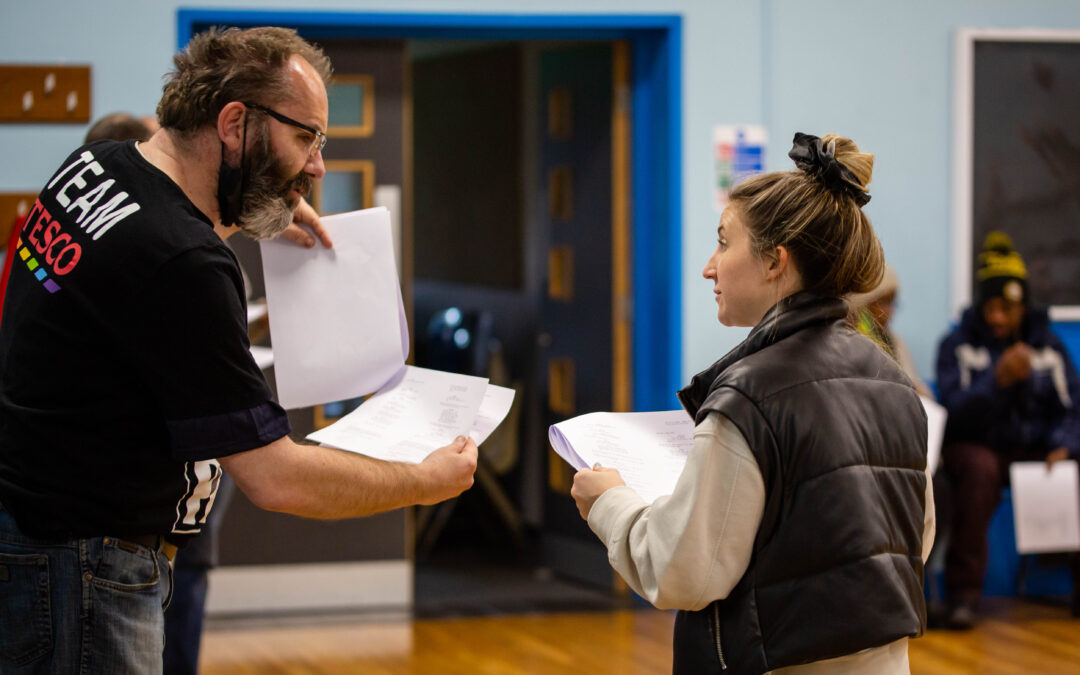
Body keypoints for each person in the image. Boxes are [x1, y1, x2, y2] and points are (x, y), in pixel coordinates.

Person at [0, 26, 477, 674]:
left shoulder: (98, 166)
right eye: (305, 136)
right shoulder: (185, 263)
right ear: (234, 122)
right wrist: (423, 481)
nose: (317, 166)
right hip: (83, 572)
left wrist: (264, 209)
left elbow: (158, 206)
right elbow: (276, 477)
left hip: (37, 545)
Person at [571, 133, 934, 674]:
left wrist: (610, 502)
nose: (708, 267)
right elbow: (911, 542)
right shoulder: (893, 380)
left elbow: (683, 572)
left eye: (724, 243)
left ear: (774, 262)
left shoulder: (749, 396)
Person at [934, 231, 1080, 629]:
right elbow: (953, 413)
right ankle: (963, 596)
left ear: (1022, 306)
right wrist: (996, 380)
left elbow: (1073, 409)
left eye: (1006, 308)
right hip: (980, 447)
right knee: (978, 470)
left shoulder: (1048, 347)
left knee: (1077, 462)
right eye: (990, 307)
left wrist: (1064, 446)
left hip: (1035, 447)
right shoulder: (957, 345)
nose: (997, 317)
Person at [847, 264, 933, 398]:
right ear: (865, 303)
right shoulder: (852, 345)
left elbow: (916, 387)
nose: (890, 312)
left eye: (892, 303)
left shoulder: (896, 343)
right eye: (884, 302)